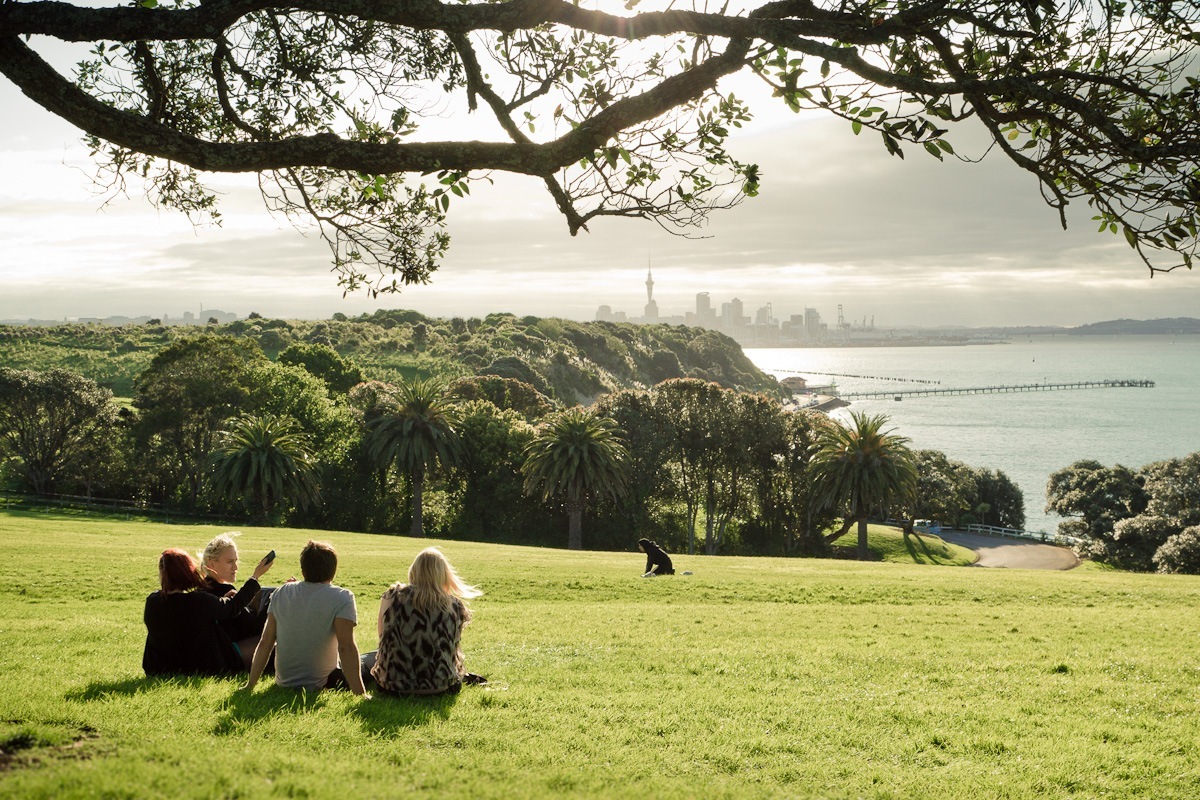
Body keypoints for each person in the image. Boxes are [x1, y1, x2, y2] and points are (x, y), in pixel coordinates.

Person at [244, 540, 368, 696]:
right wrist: (361, 694)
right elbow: (346, 647)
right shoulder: (342, 597)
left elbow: (265, 642)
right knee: (368, 664)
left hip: (284, 683)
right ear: (334, 571)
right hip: (326, 683)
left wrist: (250, 685)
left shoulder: (281, 592)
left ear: (303, 571)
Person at [143, 547, 274, 676]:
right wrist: (255, 577)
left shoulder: (153, 601)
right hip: (204, 666)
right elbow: (232, 608)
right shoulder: (198, 601)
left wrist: (222, 600)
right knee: (267, 641)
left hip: (161, 667)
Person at [370, 547, 483, 696]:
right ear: (443, 574)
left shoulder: (393, 596)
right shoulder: (454, 606)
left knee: (368, 658)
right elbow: (452, 649)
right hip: (440, 686)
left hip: (393, 685)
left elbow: (382, 637)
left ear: (414, 571)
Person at [198, 532, 273, 669]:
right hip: (230, 656)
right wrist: (273, 600)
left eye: (236, 561)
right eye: (230, 562)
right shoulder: (221, 591)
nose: (236, 567)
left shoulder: (201, 589)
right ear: (211, 564)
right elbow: (255, 628)